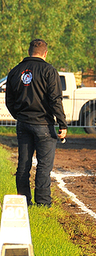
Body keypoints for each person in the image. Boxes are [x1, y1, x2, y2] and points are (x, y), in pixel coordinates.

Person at [5, 39, 67, 207]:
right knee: (43, 166)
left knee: (23, 164)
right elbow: (55, 99)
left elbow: (9, 100)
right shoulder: (49, 70)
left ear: (29, 51)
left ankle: (24, 202)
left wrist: (19, 116)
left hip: (23, 123)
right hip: (43, 125)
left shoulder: (15, 71)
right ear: (45, 53)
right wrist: (62, 124)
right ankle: (43, 203)